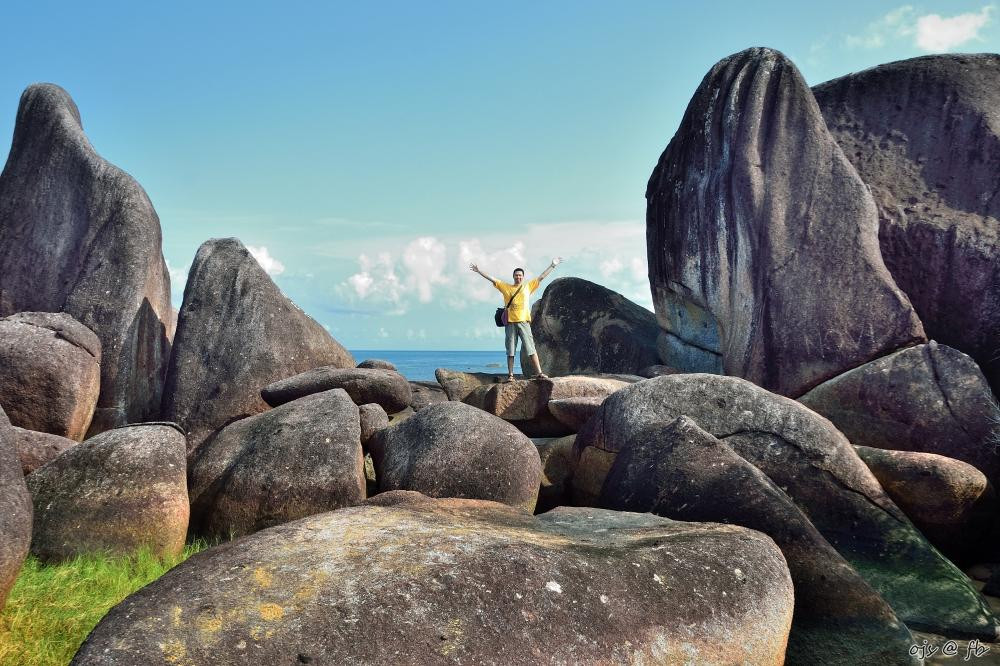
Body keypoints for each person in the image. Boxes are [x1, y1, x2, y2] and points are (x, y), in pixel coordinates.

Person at [470, 258, 562, 382]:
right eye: (516, 275)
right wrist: (478, 270)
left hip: (524, 322)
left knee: (531, 348)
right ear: (513, 276)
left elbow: (541, 277)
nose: (518, 277)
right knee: (511, 350)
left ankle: (539, 373)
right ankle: (511, 375)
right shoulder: (506, 287)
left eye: (520, 275)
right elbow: (492, 278)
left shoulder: (528, 286)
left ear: (523, 277)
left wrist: (552, 265)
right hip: (510, 324)